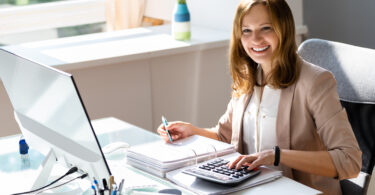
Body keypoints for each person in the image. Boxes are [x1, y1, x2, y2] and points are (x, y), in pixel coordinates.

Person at [157, 0, 361, 194]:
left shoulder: (315, 82)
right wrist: (192, 131)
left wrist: (276, 155)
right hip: (252, 188)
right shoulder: (248, 78)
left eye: (266, 28)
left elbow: (349, 161)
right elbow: (226, 136)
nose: (255, 39)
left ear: (284, 29)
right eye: (247, 31)